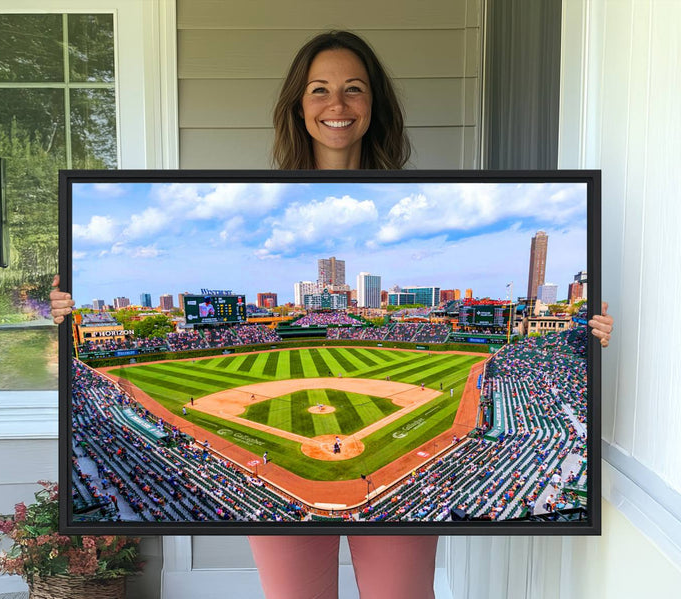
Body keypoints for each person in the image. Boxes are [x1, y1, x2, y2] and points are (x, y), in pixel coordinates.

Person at [50, 29, 615, 599]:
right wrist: (62, 312)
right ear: (299, 104)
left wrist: (585, 336)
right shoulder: (254, 193)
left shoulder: (416, 193)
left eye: (354, 89)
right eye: (319, 89)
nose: (337, 105)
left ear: (374, 105)